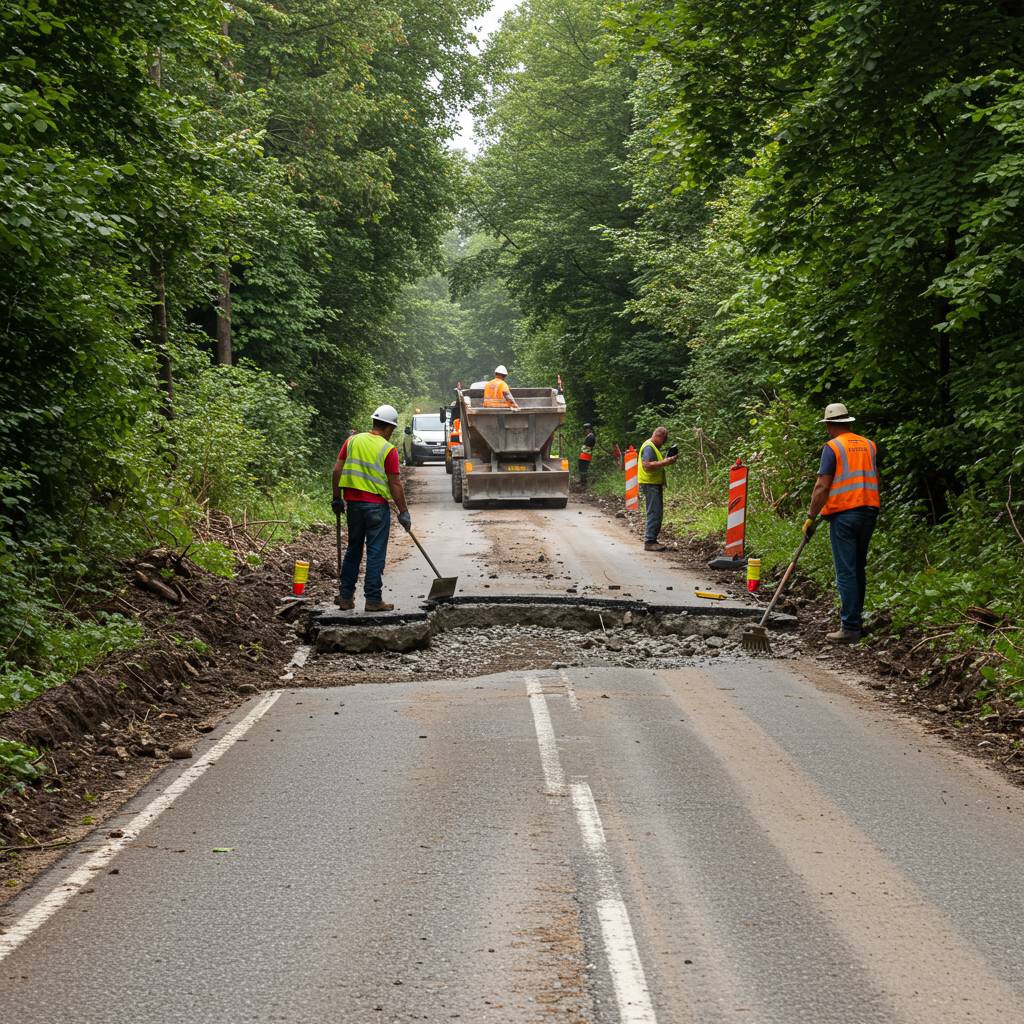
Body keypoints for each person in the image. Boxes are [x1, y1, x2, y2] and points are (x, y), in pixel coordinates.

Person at [803, 402, 880, 643]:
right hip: (869, 511)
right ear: (848, 422)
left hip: (845, 515)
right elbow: (875, 478)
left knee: (846, 571)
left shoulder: (833, 447)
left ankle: (849, 627)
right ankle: (856, 623)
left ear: (829, 425)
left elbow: (822, 486)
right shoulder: (869, 445)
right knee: (858, 567)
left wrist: (811, 517)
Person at [331, 404, 411, 612]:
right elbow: (395, 483)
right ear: (389, 427)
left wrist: (336, 498)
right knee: (375, 553)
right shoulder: (388, 449)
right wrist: (403, 511)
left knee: (353, 550)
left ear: (375, 421)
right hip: (376, 508)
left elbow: (337, 471)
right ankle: (373, 600)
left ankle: (345, 598)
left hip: (353, 506)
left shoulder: (352, 441)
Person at [637, 426, 677, 551]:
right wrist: (666, 462)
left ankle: (652, 540)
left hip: (653, 483)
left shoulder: (652, 446)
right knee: (654, 512)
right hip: (650, 484)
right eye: (663, 440)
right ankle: (649, 541)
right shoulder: (649, 447)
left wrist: (666, 460)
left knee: (656, 512)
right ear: (659, 436)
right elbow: (647, 466)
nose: (663, 443)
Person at [578, 423, 596, 489]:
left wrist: (583, 448)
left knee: (583, 469)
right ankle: (582, 482)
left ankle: (583, 484)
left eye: (586, 429)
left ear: (589, 429)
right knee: (581, 468)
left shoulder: (591, 437)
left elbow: (586, 446)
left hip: (586, 455)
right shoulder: (589, 436)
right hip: (584, 455)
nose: (585, 431)